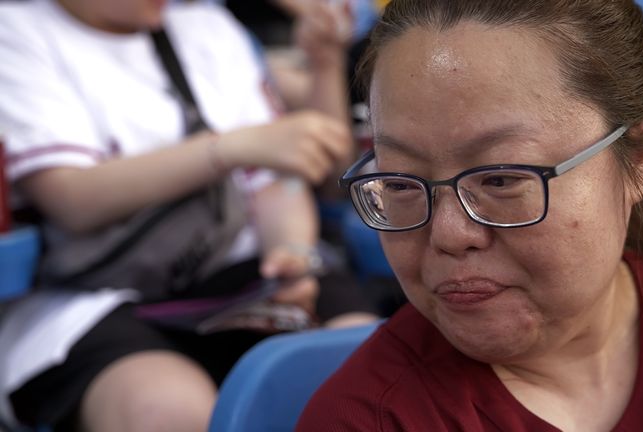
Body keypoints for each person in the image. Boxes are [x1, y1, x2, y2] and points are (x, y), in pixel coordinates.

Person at [296, 1, 643, 431]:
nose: (449, 234)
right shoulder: (368, 419)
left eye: (501, 179)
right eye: (399, 183)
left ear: (638, 156)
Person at [0, 0, 377, 430]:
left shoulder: (206, 24)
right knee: (169, 410)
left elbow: (277, 180)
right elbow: (69, 198)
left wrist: (291, 251)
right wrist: (229, 148)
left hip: (239, 273)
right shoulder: (17, 30)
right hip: (89, 300)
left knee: (358, 364)